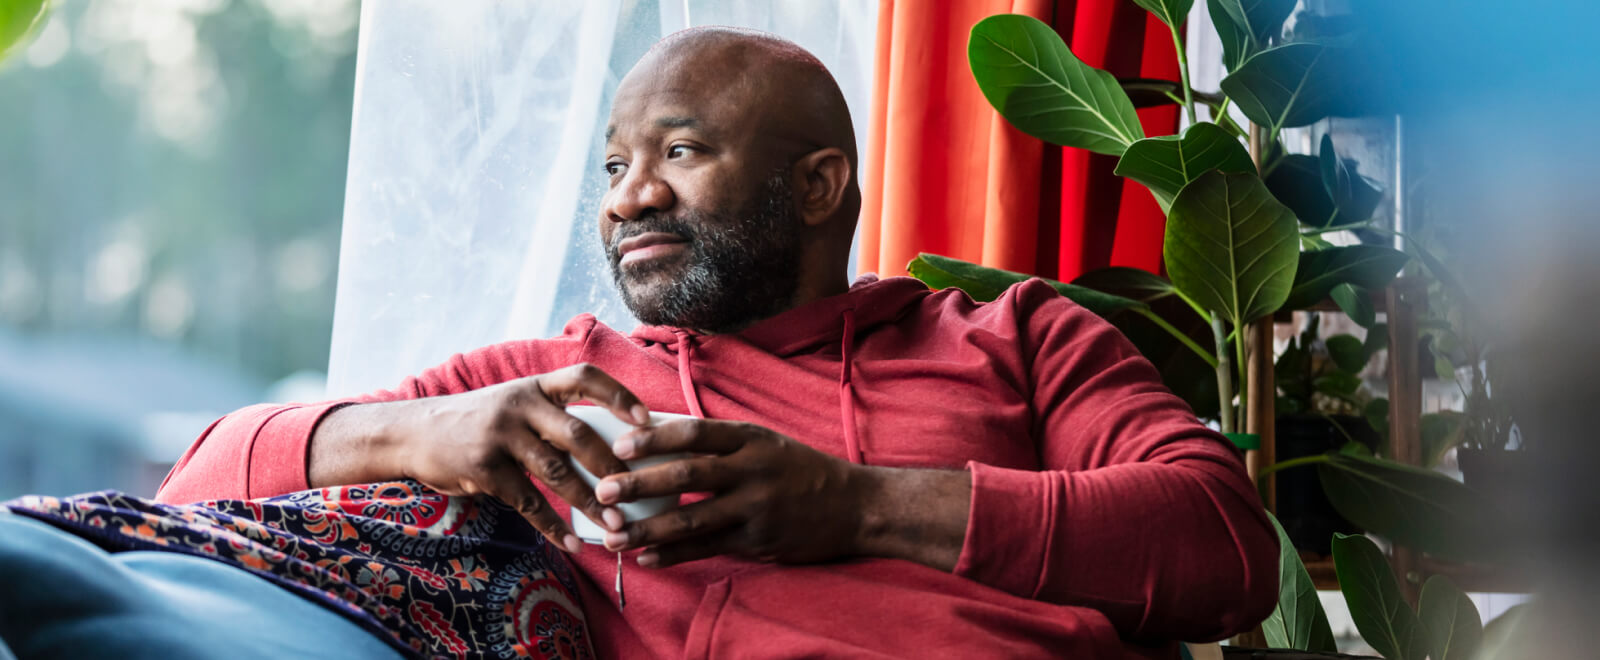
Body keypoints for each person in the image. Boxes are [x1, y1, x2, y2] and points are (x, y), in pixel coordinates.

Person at [152, 27, 1277, 658]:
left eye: (678, 152)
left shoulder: (1017, 335)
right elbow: (192, 486)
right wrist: (434, 427)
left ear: (818, 184)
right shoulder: (557, 390)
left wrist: (856, 506)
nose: (628, 197)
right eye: (610, 167)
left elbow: (1226, 549)